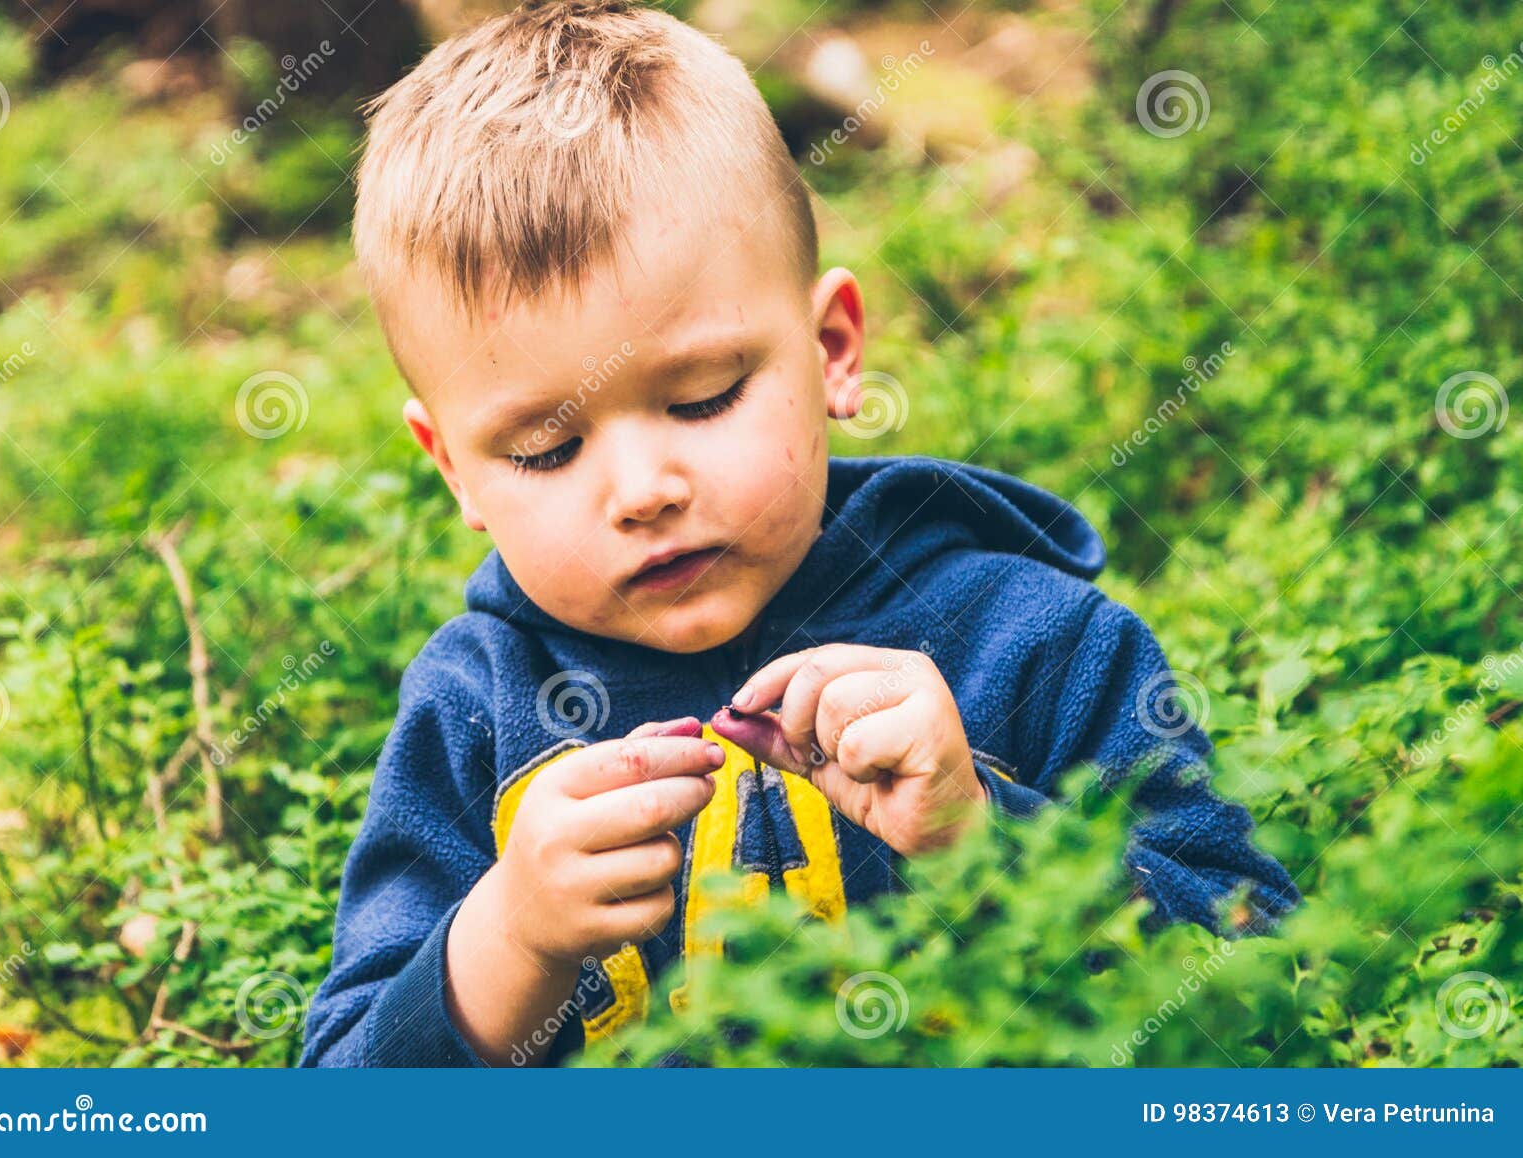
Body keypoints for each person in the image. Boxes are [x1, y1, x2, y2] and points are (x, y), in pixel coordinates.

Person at [301, 0, 1298, 1068]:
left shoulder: (1036, 645)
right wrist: (508, 940)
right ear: (454, 468)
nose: (643, 491)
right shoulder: (473, 716)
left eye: (703, 397)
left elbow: (1262, 989)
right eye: (546, 449)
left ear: (831, 352)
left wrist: (982, 833)